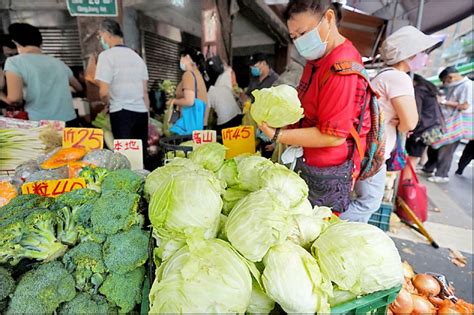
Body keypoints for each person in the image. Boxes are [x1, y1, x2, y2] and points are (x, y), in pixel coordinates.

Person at [259, 0, 372, 212]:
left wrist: (278, 135)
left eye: (303, 33)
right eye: (294, 37)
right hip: (308, 163)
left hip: (328, 175)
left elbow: (333, 135)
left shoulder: (342, 66)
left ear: (328, 18)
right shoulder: (317, 59)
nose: (300, 42)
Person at [343, 26, 440, 222]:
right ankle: (328, 226)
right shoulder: (398, 78)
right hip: (374, 153)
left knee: (364, 200)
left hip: (366, 149)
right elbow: (411, 122)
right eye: (422, 52)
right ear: (408, 54)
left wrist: (398, 120)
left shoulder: (384, 75)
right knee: (368, 203)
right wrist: (401, 123)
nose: (425, 57)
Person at [0, 23, 82, 125]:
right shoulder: (59, 62)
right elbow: (78, 87)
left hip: (41, 124)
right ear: (40, 43)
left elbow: (14, 99)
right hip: (69, 121)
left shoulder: (14, 62)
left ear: (15, 42)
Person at [95, 19, 150, 153]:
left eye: (100, 36)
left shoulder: (106, 56)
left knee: (125, 157)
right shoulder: (137, 58)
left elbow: (103, 92)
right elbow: (145, 93)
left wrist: (106, 104)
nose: (101, 40)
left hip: (122, 113)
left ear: (107, 34)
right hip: (141, 114)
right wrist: (147, 116)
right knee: (139, 156)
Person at [422, 66, 473, 182]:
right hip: (445, 121)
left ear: (451, 77)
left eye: (445, 81)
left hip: (455, 124)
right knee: (434, 144)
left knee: (446, 149)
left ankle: (442, 175)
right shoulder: (457, 85)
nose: (444, 84)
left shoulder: (467, 85)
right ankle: (428, 168)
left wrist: (444, 101)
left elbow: (465, 105)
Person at [405, 74, 444, 175]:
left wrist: (412, 128)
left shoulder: (418, 90)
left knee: (412, 159)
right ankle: (408, 182)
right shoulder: (429, 90)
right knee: (415, 158)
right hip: (430, 128)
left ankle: (407, 184)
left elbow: (416, 112)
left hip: (421, 130)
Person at [168, 47, 209, 129]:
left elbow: (189, 101)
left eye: (181, 57)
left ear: (187, 57)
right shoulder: (197, 74)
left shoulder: (188, 74)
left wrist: (173, 101)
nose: (180, 60)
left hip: (190, 123)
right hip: (199, 122)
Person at [208, 69, 242, 134]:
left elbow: (209, 116)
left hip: (225, 125)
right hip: (238, 118)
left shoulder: (209, 94)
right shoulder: (225, 87)